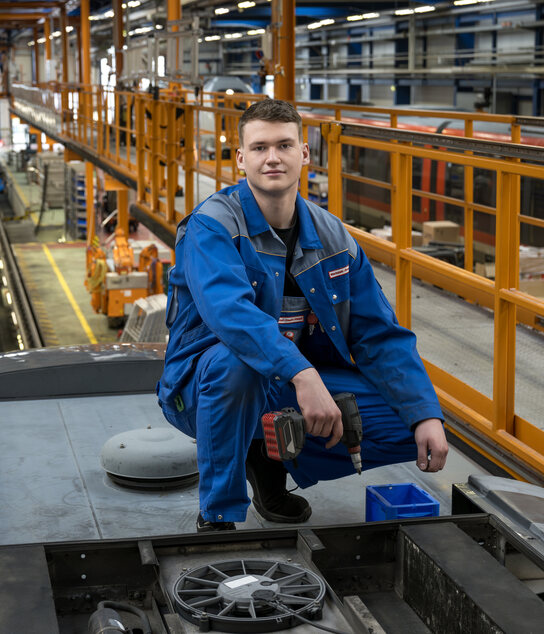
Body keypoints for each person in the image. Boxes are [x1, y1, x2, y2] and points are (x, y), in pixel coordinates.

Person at [157, 99, 449, 532]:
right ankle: (218, 513)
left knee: (411, 424)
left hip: (286, 384)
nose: (272, 157)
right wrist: (305, 376)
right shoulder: (212, 227)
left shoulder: (334, 239)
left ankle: (264, 457)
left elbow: (379, 335)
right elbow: (232, 316)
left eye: (284, 145)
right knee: (236, 363)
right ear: (240, 158)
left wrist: (425, 412)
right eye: (258, 148)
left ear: (305, 153)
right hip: (203, 389)